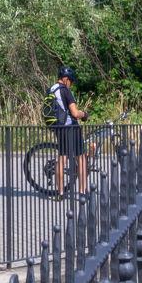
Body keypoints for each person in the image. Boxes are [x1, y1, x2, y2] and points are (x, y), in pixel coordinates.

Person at [48, 67, 88, 199]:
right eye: (71, 81)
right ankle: (82, 192)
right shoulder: (65, 90)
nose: (71, 83)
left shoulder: (51, 90)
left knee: (62, 158)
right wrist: (84, 114)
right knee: (81, 158)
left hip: (59, 128)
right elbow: (75, 113)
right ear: (65, 78)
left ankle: (60, 193)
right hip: (71, 128)